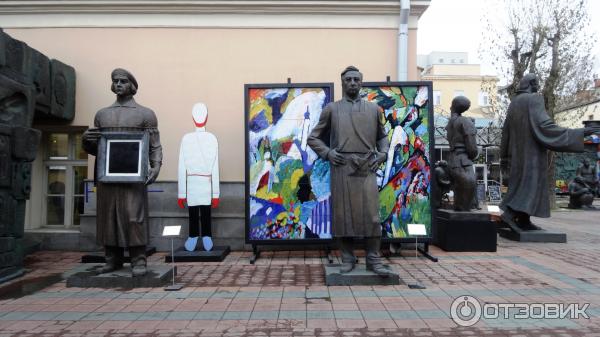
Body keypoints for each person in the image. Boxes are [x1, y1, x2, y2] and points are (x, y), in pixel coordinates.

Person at [307, 65, 392, 276]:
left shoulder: (373, 109)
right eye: (348, 80)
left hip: (367, 166)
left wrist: (383, 154)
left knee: (371, 215)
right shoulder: (332, 109)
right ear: (342, 83)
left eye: (356, 79)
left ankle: (373, 259)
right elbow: (313, 138)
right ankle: (347, 257)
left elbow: (382, 137)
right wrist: (327, 153)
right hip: (342, 167)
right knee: (344, 216)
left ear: (361, 82)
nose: (352, 83)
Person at [82, 68, 162, 277]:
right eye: (115, 81)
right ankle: (112, 259)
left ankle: (138, 259)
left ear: (132, 86)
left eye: (123, 81)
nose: (118, 84)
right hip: (107, 177)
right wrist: (86, 141)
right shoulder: (102, 115)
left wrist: (156, 166)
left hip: (133, 179)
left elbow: (154, 145)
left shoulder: (145, 114)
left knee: (134, 217)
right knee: (108, 218)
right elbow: (96, 149)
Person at [500, 73, 600, 231]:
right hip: (531, 154)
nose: (538, 87)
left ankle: (524, 220)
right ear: (532, 83)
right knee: (530, 185)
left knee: (525, 184)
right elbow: (545, 126)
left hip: (516, 155)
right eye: (537, 83)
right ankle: (510, 215)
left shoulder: (514, 103)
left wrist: (504, 156)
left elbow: (505, 132)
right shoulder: (534, 99)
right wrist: (582, 132)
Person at [177, 102, 220, 252]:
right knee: (202, 211)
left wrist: (182, 193)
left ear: (192, 118)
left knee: (195, 212)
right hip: (204, 182)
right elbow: (215, 168)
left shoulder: (186, 139)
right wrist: (215, 193)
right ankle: (201, 236)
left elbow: (182, 167)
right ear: (206, 118)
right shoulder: (212, 138)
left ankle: (197, 236)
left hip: (193, 183)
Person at [446, 96, 479, 211]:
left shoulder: (450, 123)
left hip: (452, 160)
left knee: (460, 198)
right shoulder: (465, 121)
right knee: (466, 200)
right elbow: (472, 149)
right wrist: (473, 154)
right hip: (463, 162)